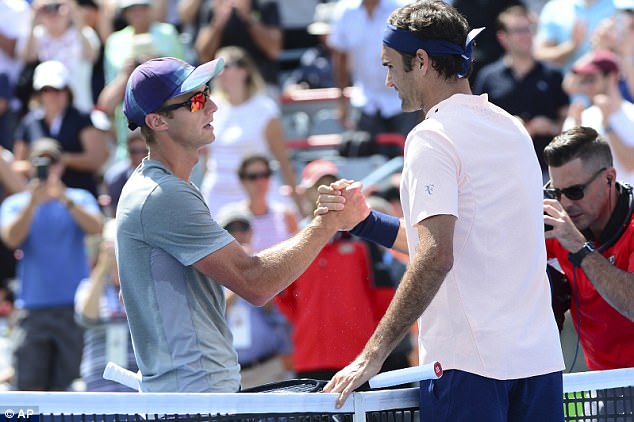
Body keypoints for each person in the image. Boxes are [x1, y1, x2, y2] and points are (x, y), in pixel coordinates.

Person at [316, 1, 565, 418]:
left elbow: (436, 254)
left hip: (470, 369)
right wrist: (365, 221)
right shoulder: (512, 127)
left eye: (391, 66)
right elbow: (456, 240)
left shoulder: (430, 137)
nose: (388, 80)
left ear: (422, 61)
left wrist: (373, 354)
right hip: (539, 364)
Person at [116, 55, 363, 393]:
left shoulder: (163, 188)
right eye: (197, 100)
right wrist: (325, 223)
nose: (213, 106)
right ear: (157, 121)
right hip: (194, 401)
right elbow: (256, 282)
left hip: (191, 397)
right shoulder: (163, 194)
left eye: (207, 92)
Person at [275, 159, 397, 384]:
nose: (327, 195)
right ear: (306, 193)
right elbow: (282, 296)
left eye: (333, 187)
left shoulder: (364, 242)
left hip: (358, 360)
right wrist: (309, 322)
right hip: (310, 358)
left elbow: (384, 298)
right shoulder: (296, 243)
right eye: (319, 188)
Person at [0, 137, 103, 391]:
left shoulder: (78, 197)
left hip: (73, 310)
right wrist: (32, 202)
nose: (48, 168)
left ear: (61, 166)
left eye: (52, 162)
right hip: (33, 310)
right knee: (29, 393)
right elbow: (11, 238)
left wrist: (64, 199)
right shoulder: (16, 203)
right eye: (41, 162)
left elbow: (97, 227)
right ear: (31, 166)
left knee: (70, 394)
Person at [543, 127, 634, 367]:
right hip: (601, 382)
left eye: (575, 191)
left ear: (609, 178)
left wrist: (580, 248)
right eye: (556, 192)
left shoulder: (569, 234)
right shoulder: (557, 223)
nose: (565, 203)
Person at [200, 46, 302, 217]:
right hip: (217, 195)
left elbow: (283, 160)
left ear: (243, 70)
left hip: (257, 193)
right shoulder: (212, 107)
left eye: (226, 66)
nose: (220, 73)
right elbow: (206, 158)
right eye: (217, 69)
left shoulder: (265, 109)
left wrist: (298, 202)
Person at [473, 4, 569, 178]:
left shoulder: (552, 74)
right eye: (518, 30)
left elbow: (568, 120)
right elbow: (477, 123)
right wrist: (511, 125)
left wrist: (552, 127)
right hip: (500, 171)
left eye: (528, 29)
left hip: (547, 170)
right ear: (503, 37)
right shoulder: (488, 77)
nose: (526, 35)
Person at [216, 203, 293, 389]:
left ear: (251, 232)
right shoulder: (212, 270)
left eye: (243, 228)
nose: (238, 234)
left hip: (268, 368)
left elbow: (281, 314)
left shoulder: (266, 265)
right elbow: (216, 314)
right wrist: (238, 279)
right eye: (231, 229)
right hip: (229, 373)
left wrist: (253, 273)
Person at [328, 0, 419, 153]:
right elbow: (339, 59)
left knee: (410, 159)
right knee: (368, 166)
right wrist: (342, 102)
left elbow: (416, 58)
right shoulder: (344, 12)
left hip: (404, 104)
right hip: (366, 104)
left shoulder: (402, 9)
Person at [12, 60, 109, 199]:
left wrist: (65, 160)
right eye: (46, 90)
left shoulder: (82, 118)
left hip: (79, 198)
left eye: (57, 89)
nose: (52, 95)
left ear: (67, 91)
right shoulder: (29, 122)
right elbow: (17, 165)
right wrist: (37, 167)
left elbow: (98, 158)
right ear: (39, 94)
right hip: (41, 200)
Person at [74, 219, 138, 392]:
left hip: (136, 380)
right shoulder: (89, 285)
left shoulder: (142, 284)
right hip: (99, 379)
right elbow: (86, 316)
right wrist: (103, 267)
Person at [562, 49, 634, 185]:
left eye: (591, 79)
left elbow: (630, 164)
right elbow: (567, 169)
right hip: (592, 204)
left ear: (611, 76)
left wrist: (608, 126)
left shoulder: (631, 115)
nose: (587, 86)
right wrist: (577, 132)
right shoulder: (579, 117)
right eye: (583, 80)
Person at [18, 0, 101, 113]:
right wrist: (34, 20)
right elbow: (27, 58)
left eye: (58, 7)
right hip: (50, 111)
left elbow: (92, 56)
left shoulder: (84, 34)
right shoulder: (38, 35)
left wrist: (74, 11)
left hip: (80, 107)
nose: (53, 13)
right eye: (48, 9)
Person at [534, 0, 616, 72]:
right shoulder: (555, 8)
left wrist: (607, 47)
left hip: (614, 86)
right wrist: (572, 46)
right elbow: (539, 54)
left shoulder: (621, 6)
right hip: (569, 86)